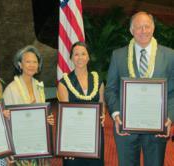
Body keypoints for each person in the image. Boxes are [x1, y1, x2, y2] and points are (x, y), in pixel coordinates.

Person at [105, 11, 174, 166]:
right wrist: (116, 114)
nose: (143, 31)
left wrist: (169, 117)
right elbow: (110, 89)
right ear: (131, 31)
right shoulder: (118, 55)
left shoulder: (170, 56)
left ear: (153, 28)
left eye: (146, 26)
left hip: (157, 127)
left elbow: (173, 91)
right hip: (126, 127)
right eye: (138, 27)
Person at [3, 45, 54, 166]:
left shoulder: (39, 86)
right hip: (20, 147)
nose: (31, 65)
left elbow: (41, 114)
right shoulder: (11, 89)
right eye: (28, 61)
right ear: (20, 64)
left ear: (38, 66)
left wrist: (48, 119)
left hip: (39, 144)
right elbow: (4, 122)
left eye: (35, 62)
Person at [57, 41, 105, 166]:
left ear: (89, 57)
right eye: (76, 54)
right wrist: (66, 146)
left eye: (83, 54)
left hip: (94, 135)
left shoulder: (98, 80)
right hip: (73, 136)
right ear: (71, 58)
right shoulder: (64, 83)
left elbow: (102, 104)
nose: (80, 58)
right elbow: (64, 116)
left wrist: (103, 115)